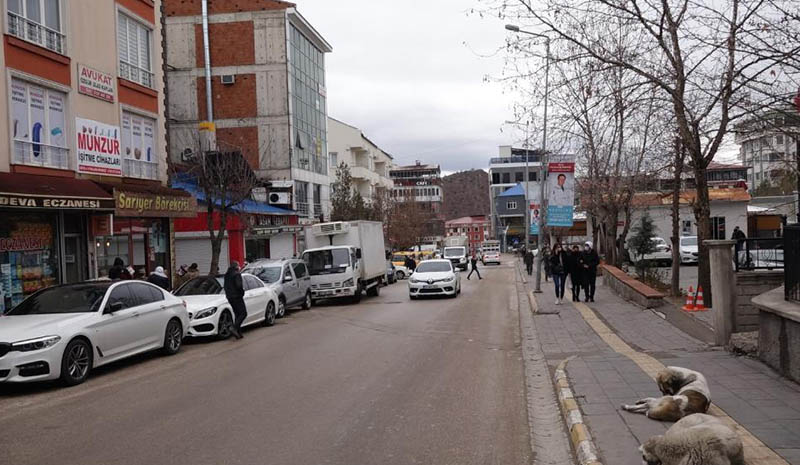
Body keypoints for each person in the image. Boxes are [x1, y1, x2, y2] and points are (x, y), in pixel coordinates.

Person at [224, 261, 246, 340]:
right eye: (238, 266)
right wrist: (242, 292)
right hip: (237, 296)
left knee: (237, 314)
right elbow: (239, 285)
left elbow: (225, 286)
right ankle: (234, 327)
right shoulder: (237, 274)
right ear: (236, 266)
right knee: (243, 313)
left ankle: (238, 332)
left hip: (230, 297)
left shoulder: (227, 275)